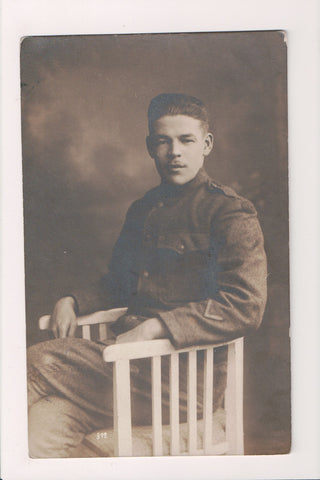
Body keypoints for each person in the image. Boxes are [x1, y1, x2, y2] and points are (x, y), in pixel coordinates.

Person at [27, 93, 267, 457]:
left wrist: (159, 326)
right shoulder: (143, 210)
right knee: (43, 423)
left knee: (31, 364)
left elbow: (245, 304)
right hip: (126, 369)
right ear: (149, 148)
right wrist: (72, 300)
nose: (174, 152)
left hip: (181, 383)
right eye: (162, 141)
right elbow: (119, 282)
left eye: (186, 140)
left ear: (206, 145)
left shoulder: (230, 212)